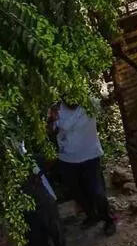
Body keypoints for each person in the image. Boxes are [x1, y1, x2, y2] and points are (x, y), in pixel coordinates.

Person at [49, 98, 116, 234]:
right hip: (67, 159)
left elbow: (109, 101)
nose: (73, 100)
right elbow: (51, 132)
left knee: (98, 192)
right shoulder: (57, 109)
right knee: (77, 192)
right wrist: (51, 120)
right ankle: (92, 215)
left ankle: (108, 219)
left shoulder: (89, 103)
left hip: (90, 156)